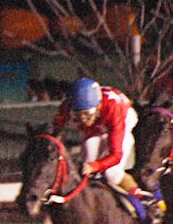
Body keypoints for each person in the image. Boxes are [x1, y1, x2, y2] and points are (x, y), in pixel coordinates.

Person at [52, 77, 162, 213]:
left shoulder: (112, 108)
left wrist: (95, 166)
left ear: (98, 106)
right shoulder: (66, 108)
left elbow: (116, 155)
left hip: (121, 119)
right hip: (98, 124)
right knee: (86, 164)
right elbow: (53, 135)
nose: (83, 119)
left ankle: (142, 197)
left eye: (86, 113)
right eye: (77, 114)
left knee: (111, 172)